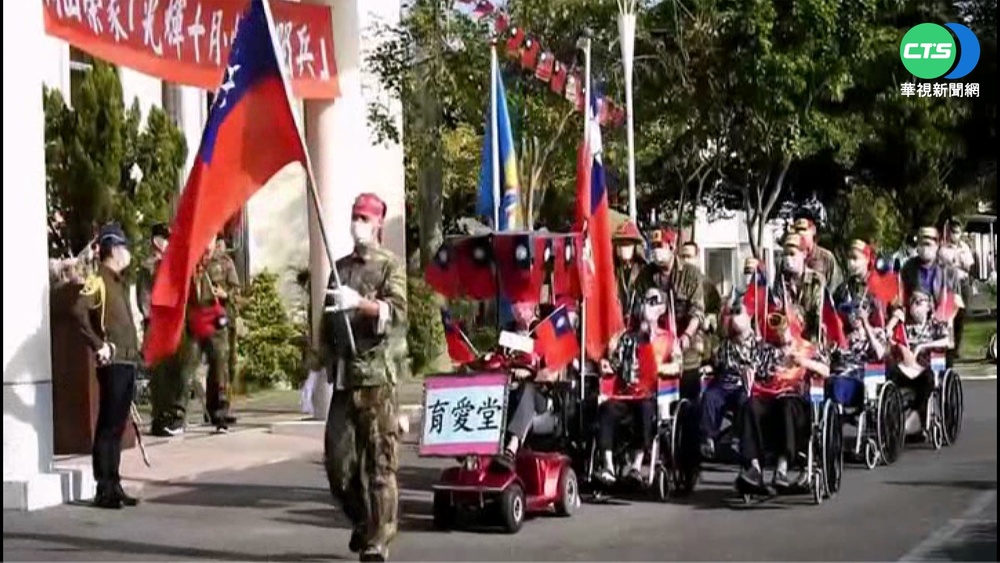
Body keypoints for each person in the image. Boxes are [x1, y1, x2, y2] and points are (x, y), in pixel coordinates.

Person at [321, 193, 406, 562]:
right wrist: (319, 363)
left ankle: (379, 539)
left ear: (378, 224)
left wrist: (360, 303)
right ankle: (362, 519)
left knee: (380, 464)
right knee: (338, 465)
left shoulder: (390, 266)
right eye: (355, 216)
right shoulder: (339, 267)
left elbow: (397, 313)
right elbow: (327, 322)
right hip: (345, 378)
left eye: (365, 218)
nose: (358, 224)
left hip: (377, 378)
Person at [70, 224, 141, 509]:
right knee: (108, 426)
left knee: (118, 426)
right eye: (124, 247)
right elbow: (78, 311)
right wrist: (98, 344)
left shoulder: (119, 282)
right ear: (113, 249)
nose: (127, 253)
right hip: (112, 362)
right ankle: (104, 488)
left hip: (127, 360)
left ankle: (115, 483)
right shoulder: (98, 279)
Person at [735, 313, 829, 493]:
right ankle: (754, 468)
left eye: (786, 327)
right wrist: (748, 370)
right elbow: (752, 366)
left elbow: (825, 370)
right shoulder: (768, 350)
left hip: (794, 399)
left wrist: (804, 362)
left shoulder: (809, 348)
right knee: (750, 406)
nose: (781, 332)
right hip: (768, 396)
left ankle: (782, 469)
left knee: (786, 406)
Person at [593, 288, 666, 484]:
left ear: (662, 309)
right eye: (645, 301)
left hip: (651, 395)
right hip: (626, 394)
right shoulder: (627, 338)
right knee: (606, 409)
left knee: (645, 410)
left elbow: (677, 364)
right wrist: (607, 364)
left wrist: (659, 365)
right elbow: (616, 363)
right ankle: (608, 467)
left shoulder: (666, 338)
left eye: (652, 302)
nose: (646, 306)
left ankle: (636, 466)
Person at [635, 228, 706, 401]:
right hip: (655, 343)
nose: (656, 251)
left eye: (660, 246)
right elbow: (637, 308)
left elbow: (697, 311)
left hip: (685, 342)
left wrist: (687, 335)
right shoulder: (645, 275)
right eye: (653, 246)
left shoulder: (691, 274)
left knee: (688, 392)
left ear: (672, 247)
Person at [493, 300, 561, 470]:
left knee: (527, 390)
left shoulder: (544, 331)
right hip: (508, 387)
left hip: (539, 393)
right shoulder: (507, 332)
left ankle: (512, 446)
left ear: (533, 306)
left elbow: (553, 373)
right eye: (516, 303)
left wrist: (530, 374)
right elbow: (497, 359)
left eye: (523, 303)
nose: (519, 308)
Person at [180, 237, 237, 433]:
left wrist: (225, 294)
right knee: (187, 366)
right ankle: (178, 413)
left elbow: (237, 291)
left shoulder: (224, 262)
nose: (207, 242)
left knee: (219, 365)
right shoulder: (191, 260)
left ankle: (219, 412)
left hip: (216, 320)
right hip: (194, 319)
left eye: (211, 238)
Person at [138, 224, 187, 436]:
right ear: (156, 240)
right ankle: (159, 417)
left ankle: (175, 416)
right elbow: (144, 298)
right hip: (157, 327)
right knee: (159, 375)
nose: (167, 242)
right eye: (164, 238)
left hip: (174, 325)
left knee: (176, 371)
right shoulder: (149, 266)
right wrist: (154, 320)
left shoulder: (173, 263)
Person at [699, 302, 760, 459]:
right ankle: (708, 439)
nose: (734, 316)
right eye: (733, 313)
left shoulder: (757, 345)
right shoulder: (726, 344)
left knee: (745, 400)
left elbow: (761, 368)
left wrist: (751, 373)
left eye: (738, 312)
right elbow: (717, 363)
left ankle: (737, 438)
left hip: (744, 385)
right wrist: (709, 367)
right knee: (710, 397)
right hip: (724, 384)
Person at [887, 290, 951, 436]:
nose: (915, 305)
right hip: (906, 367)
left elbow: (948, 341)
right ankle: (890, 417)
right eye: (912, 302)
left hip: (926, 367)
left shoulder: (936, 324)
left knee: (928, 380)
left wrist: (923, 346)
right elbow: (892, 339)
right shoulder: (905, 328)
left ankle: (916, 418)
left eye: (919, 301)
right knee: (889, 374)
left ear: (929, 306)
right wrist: (891, 328)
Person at [825, 299, 887, 408]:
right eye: (850, 312)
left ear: (868, 312)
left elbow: (880, 354)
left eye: (857, 311)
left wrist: (866, 324)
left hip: (864, 379)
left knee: (839, 384)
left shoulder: (877, 332)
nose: (854, 316)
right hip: (842, 374)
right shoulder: (845, 338)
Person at [772, 233, 825, 341]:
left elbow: (818, 315)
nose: (788, 258)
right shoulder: (781, 280)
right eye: (785, 254)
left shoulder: (816, 280)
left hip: (810, 339)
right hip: (788, 338)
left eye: (792, 254)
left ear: (804, 254)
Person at [680, 240, 722, 364]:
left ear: (697, 258)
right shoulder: (676, 281)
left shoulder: (707, 285)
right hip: (679, 336)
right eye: (683, 256)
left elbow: (716, 310)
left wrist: (709, 319)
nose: (686, 260)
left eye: (689, 256)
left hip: (700, 338)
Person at [939, 222, 974, 360]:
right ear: (949, 233)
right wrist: (956, 263)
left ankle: (957, 348)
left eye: (958, 232)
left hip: (963, 283)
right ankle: (949, 347)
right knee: (950, 316)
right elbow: (946, 265)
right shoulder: (943, 249)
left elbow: (968, 266)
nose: (955, 235)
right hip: (950, 284)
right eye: (953, 232)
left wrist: (958, 263)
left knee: (961, 315)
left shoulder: (965, 247)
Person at [612, 220, 647, 326]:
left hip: (639, 324)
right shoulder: (612, 271)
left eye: (627, 244)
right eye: (620, 244)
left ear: (636, 247)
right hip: (617, 324)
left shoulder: (645, 271)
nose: (623, 248)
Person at [792, 216, 841, 288]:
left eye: (804, 231)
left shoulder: (826, 258)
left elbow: (836, 287)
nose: (800, 235)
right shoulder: (789, 256)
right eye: (797, 231)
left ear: (813, 233)